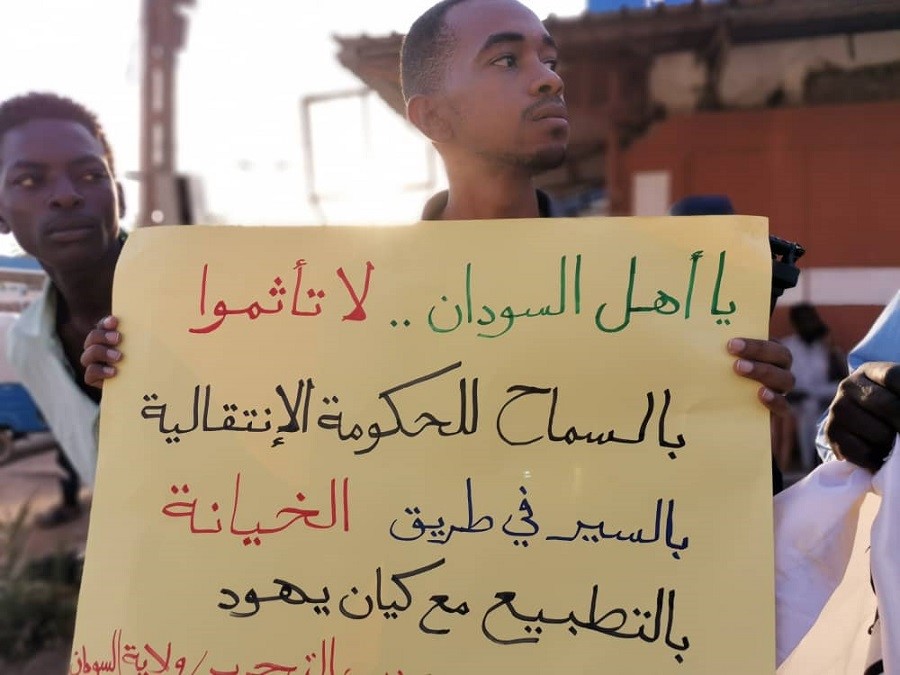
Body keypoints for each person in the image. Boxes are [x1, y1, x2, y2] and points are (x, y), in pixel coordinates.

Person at [82, 0, 795, 457]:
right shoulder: (351, 304)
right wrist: (139, 368)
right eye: (508, 60)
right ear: (431, 117)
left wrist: (745, 408)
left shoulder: (640, 294)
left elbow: (692, 481)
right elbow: (267, 447)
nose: (549, 78)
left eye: (550, 58)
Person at [0, 92, 125, 526]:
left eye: (90, 175)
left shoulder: (212, 301)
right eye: (29, 181)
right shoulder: (27, 345)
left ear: (118, 196)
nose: (67, 196)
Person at [778, 302, 847, 471]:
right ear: (796, 323)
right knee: (810, 408)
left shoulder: (823, 346)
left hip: (821, 393)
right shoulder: (787, 346)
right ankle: (809, 462)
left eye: (812, 320)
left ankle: (830, 459)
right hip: (795, 397)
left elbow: (842, 376)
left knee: (843, 391)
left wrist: (830, 348)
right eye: (805, 320)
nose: (809, 324)